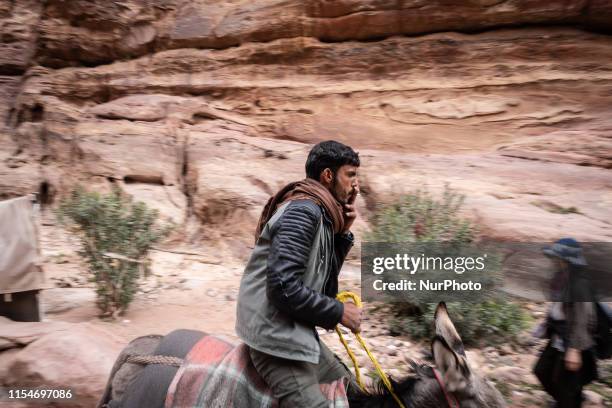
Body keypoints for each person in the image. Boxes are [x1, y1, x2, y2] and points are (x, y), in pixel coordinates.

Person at [235, 140, 362, 407]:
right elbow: (283, 287)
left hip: (295, 330)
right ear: (328, 175)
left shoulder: (322, 214)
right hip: (274, 334)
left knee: (354, 393)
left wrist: (341, 234)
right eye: (350, 175)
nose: (356, 185)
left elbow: (322, 289)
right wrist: (340, 312)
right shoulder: (304, 211)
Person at [534, 238, 598, 408]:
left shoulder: (579, 284)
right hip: (559, 336)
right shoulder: (563, 278)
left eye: (557, 258)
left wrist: (575, 349)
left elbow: (584, 318)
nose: (553, 261)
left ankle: (569, 402)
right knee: (542, 371)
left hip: (572, 341)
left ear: (565, 261)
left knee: (565, 384)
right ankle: (569, 400)